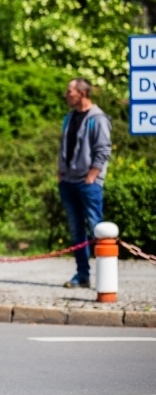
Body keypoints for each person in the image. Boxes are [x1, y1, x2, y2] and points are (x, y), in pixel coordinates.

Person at [58, 78, 112, 289]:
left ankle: (105, 277)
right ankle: (82, 274)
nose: (66, 94)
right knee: (76, 230)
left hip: (87, 183)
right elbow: (63, 146)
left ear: (81, 93)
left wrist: (92, 177)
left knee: (95, 228)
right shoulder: (69, 117)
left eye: (69, 91)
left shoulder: (97, 118)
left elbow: (103, 150)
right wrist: (60, 174)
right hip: (68, 181)